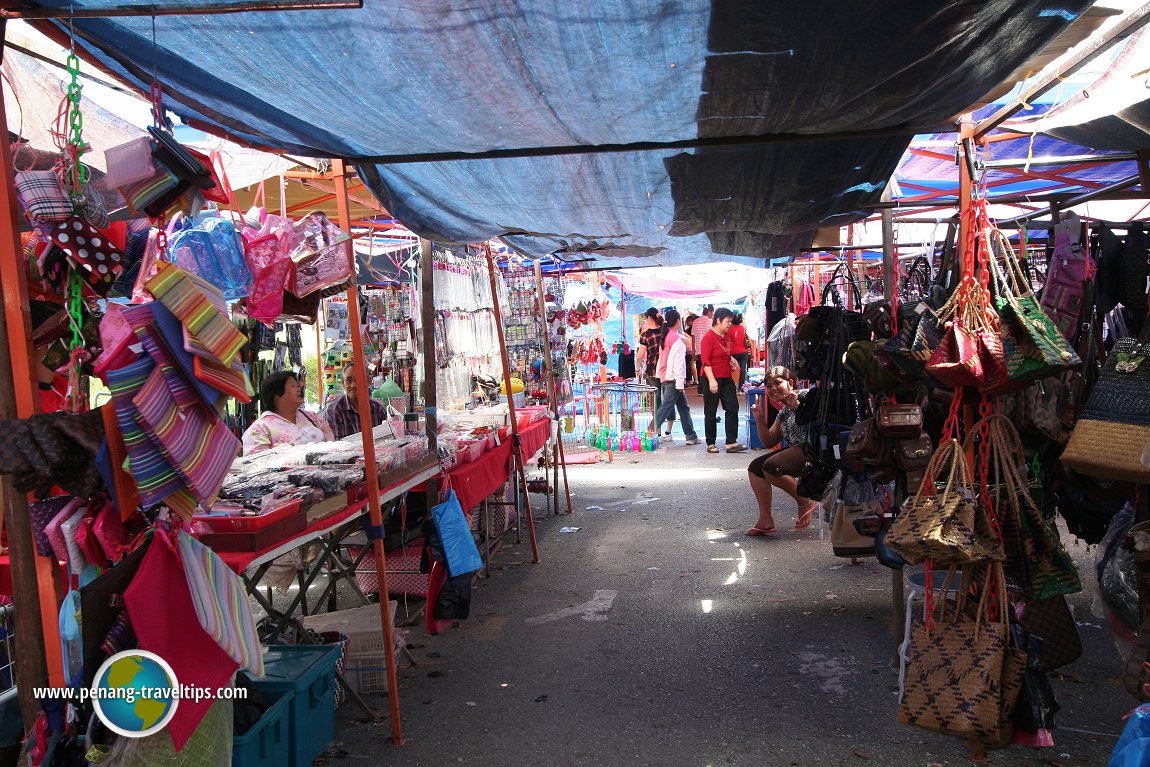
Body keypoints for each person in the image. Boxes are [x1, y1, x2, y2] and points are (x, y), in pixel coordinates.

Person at [745, 366, 818, 535]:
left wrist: (797, 406)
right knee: (755, 468)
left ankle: (805, 500)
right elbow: (769, 441)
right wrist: (760, 420)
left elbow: (816, 423)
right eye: (769, 386)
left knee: (771, 467)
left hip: (814, 449)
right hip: (797, 451)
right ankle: (765, 520)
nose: (772, 389)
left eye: (777, 383)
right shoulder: (783, 412)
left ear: (790, 383)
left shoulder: (807, 396)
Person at [242, 369, 334, 454]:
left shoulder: (312, 417)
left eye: (298, 385)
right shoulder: (259, 429)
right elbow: (256, 464)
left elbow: (332, 445)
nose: (299, 388)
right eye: (293, 385)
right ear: (276, 395)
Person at [699, 307, 745, 453]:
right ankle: (710, 443)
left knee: (732, 407)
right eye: (728, 321)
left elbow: (724, 352)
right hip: (712, 377)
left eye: (731, 321)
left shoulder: (726, 336)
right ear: (718, 320)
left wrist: (731, 359)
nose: (730, 324)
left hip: (726, 377)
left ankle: (731, 442)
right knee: (711, 411)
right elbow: (705, 362)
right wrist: (712, 380)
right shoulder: (708, 337)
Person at [652, 309, 698, 444]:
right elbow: (677, 362)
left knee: (683, 407)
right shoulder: (675, 338)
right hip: (673, 378)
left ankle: (691, 436)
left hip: (666, 376)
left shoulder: (666, 335)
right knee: (666, 406)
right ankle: (649, 432)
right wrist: (679, 382)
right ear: (678, 321)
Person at [324, 362, 388, 439]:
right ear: (343, 383)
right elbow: (338, 446)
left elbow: (386, 439)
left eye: (358, 380)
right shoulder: (335, 410)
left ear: (368, 382)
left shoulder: (378, 408)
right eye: (349, 380)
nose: (353, 385)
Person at [638, 308, 664, 413]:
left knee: (655, 398)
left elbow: (640, 355)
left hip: (653, 369)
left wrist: (637, 368)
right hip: (666, 368)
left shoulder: (646, 335)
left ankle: (657, 426)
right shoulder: (665, 331)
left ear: (649, 318)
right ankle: (668, 426)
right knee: (668, 398)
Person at [691, 305, 714, 389]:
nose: (712, 314)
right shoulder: (711, 322)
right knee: (708, 369)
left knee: (700, 368)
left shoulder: (695, 321)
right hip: (708, 350)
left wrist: (693, 351)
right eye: (712, 312)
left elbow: (693, 337)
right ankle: (707, 388)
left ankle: (701, 388)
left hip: (698, 350)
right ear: (709, 311)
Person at [729, 312, 751, 390]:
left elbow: (728, 341)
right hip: (743, 351)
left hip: (734, 352)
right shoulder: (743, 328)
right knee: (742, 369)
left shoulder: (730, 329)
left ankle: (733, 385)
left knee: (733, 369)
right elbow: (748, 338)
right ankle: (741, 388)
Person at [682, 313, 697, 386]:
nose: (687, 322)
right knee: (692, 365)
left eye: (689, 321)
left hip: (690, 349)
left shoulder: (690, 329)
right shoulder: (688, 329)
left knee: (689, 365)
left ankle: (690, 380)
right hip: (692, 348)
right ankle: (695, 380)